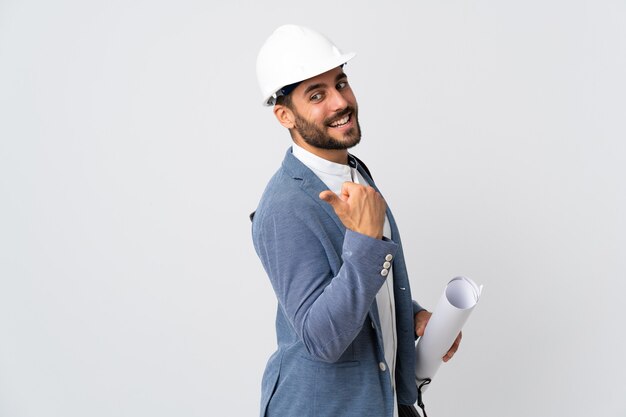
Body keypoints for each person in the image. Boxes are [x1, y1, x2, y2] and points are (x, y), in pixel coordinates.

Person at [251, 24, 461, 417]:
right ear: (285, 115)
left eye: (341, 83)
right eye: (317, 95)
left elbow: (357, 287)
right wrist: (365, 241)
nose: (340, 102)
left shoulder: (353, 171)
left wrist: (409, 315)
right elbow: (321, 339)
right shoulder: (285, 207)